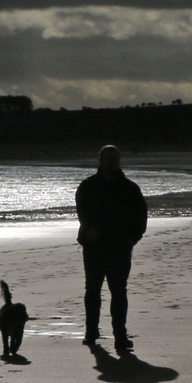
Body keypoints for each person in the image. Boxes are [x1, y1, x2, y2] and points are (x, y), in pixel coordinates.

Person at [75, 144, 148, 350]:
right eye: (107, 158)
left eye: (114, 158)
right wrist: (88, 229)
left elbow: (141, 215)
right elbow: (82, 210)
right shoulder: (88, 186)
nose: (111, 162)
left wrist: (132, 238)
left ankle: (120, 335)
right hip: (94, 247)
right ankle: (91, 332)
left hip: (120, 247)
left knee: (118, 291)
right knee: (92, 290)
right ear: (100, 160)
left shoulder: (130, 188)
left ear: (119, 160)